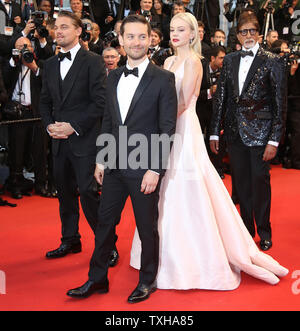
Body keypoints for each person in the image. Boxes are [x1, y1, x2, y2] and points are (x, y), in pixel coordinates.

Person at [130, 12, 288, 291]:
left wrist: (152, 124)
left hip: (181, 128)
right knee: (163, 185)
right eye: (172, 29)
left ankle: (193, 256)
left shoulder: (194, 62)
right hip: (165, 127)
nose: (175, 34)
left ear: (193, 34)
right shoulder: (167, 61)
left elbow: (181, 103)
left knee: (184, 185)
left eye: (181, 29)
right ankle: (160, 252)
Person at [66, 14, 178, 302]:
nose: (136, 42)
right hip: (114, 164)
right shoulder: (113, 75)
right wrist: (102, 159)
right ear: (121, 40)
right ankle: (97, 278)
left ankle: (147, 280)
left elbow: (167, 128)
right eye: (131, 37)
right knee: (104, 224)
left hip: (144, 166)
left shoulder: (164, 78)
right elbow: (108, 121)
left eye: (142, 36)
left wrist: (155, 169)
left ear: (151, 39)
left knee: (146, 226)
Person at [210, 13, 287, 251]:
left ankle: (264, 231)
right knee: (241, 185)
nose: (248, 36)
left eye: (252, 31)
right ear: (238, 35)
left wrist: (274, 139)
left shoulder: (273, 60)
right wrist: (214, 132)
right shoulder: (230, 60)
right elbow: (221, 98)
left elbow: (279, 103)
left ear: (259, 34)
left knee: (260, 184)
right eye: (244, 32)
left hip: (261, 134)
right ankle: (245, 231)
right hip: (234, 133)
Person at [39, 11, 107, 259]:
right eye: (56, 27)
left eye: (64, 27)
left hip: (85, 140)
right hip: (58, 142)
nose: (58, 31)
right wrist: (49, 126)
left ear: (78, 31)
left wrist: (73, 126)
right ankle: (70, 239)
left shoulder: (93, 61)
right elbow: (44, 102)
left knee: (88, 193)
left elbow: (99, 103)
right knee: (64, 193)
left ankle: (105, 245)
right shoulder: (49, 65)